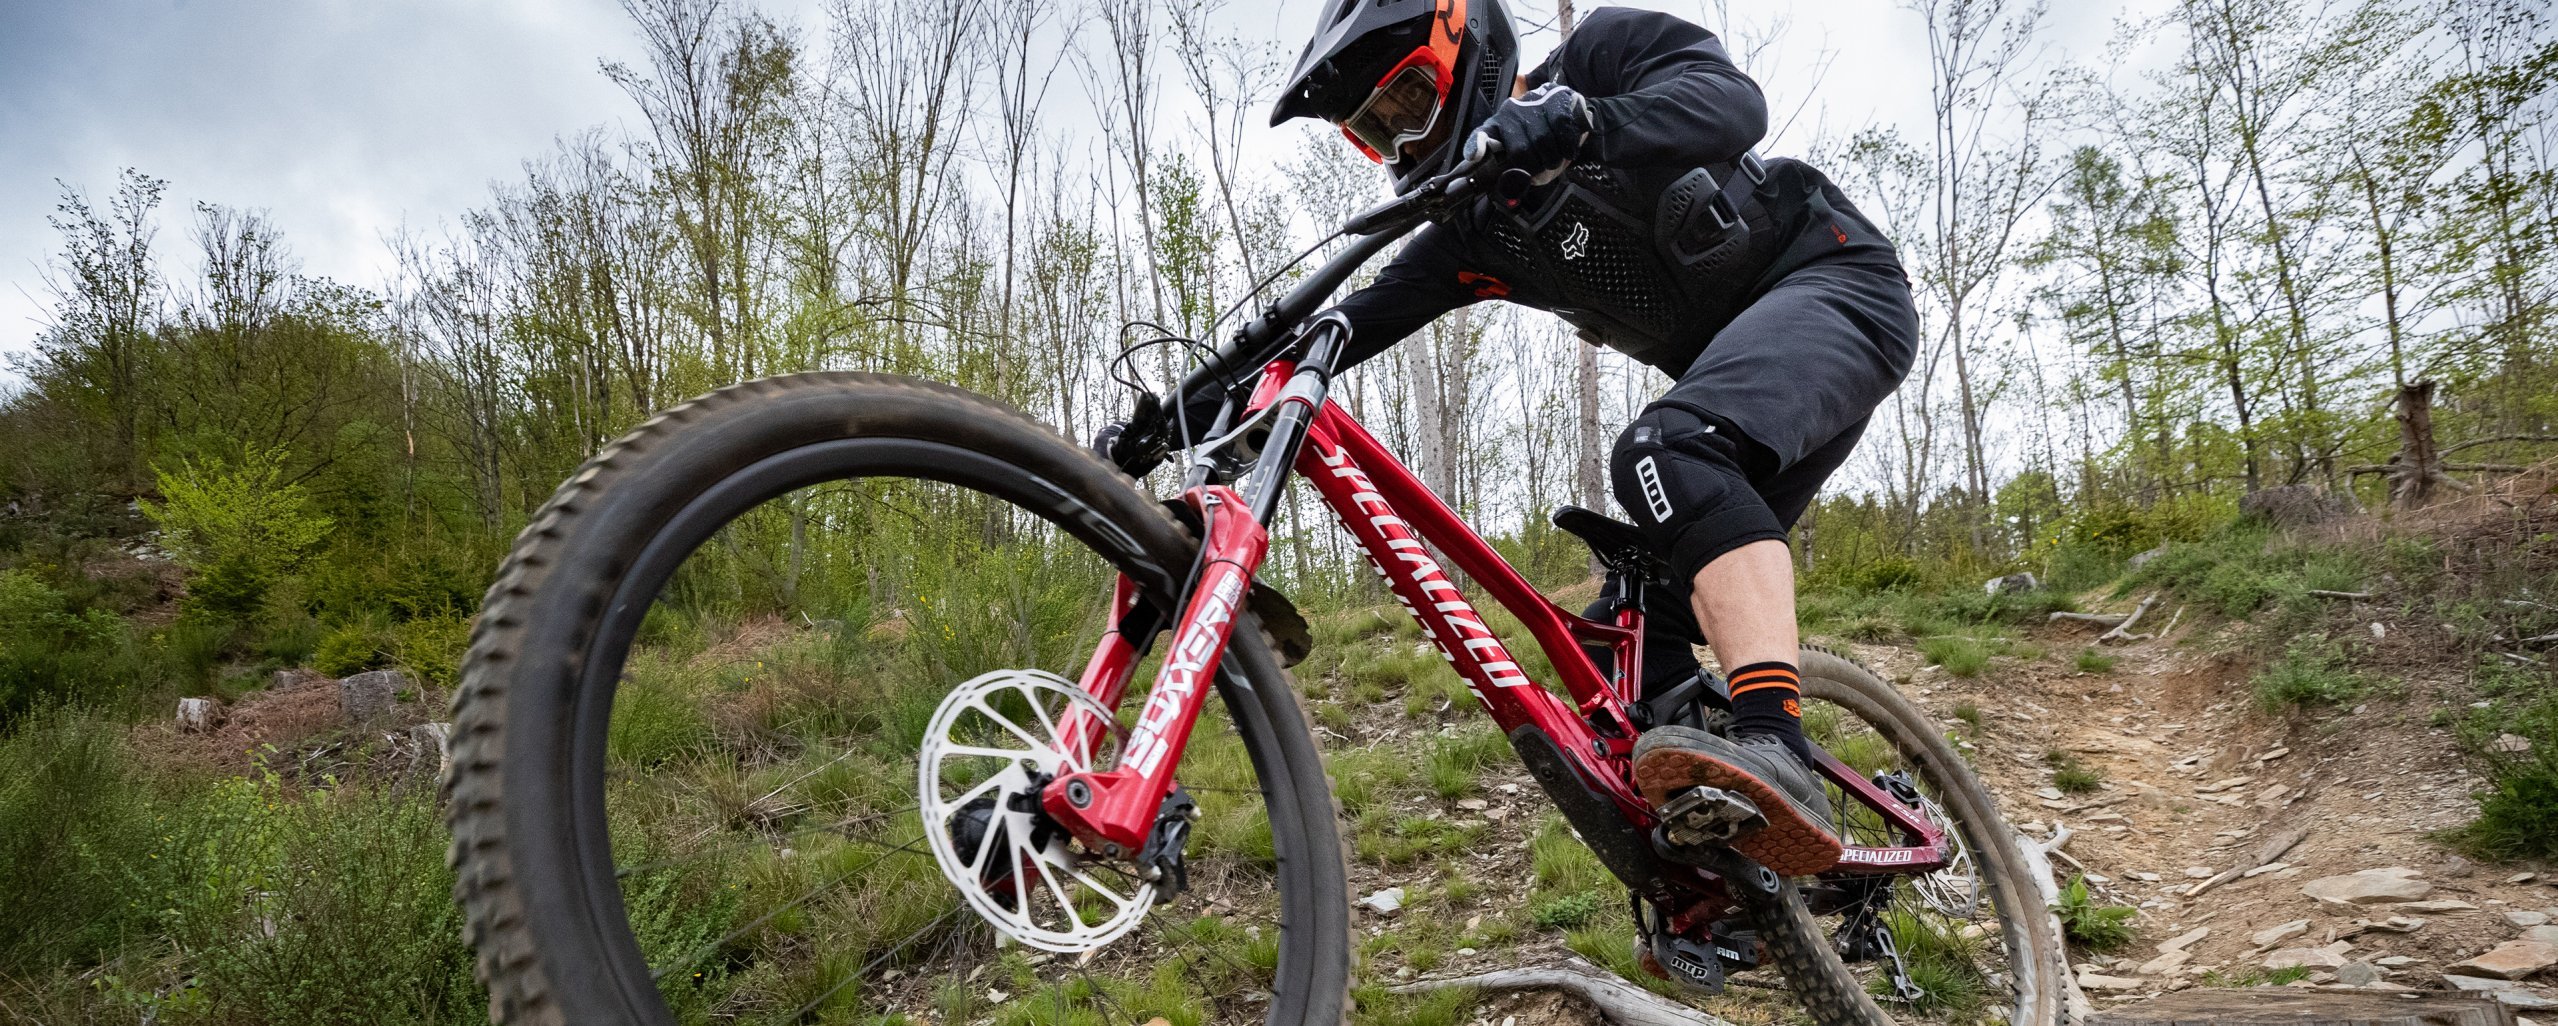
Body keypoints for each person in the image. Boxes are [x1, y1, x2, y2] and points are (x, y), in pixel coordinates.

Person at [1261, 0, 1918, 889]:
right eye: (1379, 133)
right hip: (1747, 392)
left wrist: (1583, 120)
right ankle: (1738, 885)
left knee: (1666, 451)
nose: (1406, 141)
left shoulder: (1601, 54)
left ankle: (1777, 746)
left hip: (1837, 287)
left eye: (1409, 102)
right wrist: (1207, 389)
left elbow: (1733, 104)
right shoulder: (1472, 232)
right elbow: (1351, 316)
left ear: (1466, 49)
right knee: (1624, 638)